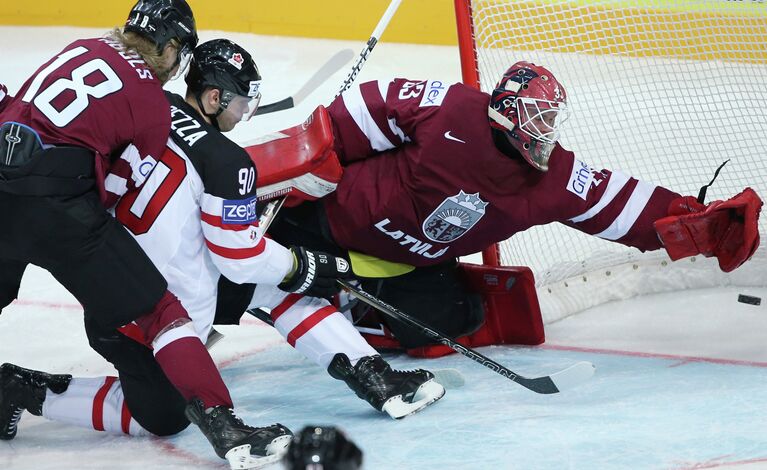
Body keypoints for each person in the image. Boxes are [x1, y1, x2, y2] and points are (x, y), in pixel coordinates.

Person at [0, 38, 443, 468]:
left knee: (265, 286)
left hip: (108, 282)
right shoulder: (228, 163)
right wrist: (302, 264)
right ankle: (22, 388)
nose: (243, 113)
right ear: (213, 97)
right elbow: (238, 254)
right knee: (163, 416)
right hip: (161, 315)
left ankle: (371, 374)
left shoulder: (153, 107)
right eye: (240, 104)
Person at [267, 61, 762, 350]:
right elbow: (350, 120)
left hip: (399, 264)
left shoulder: (552, 178)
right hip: (326, 224)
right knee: (238, 269)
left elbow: (615, 201)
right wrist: (297, 170)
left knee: (454, 320)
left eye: (551, 120)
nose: (546, 130)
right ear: (507, 109)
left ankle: (347, 304)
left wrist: (685, 217)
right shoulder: (447, 108)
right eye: (539, 116)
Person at [0, 2, 299, 468]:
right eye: (181, 56)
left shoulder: (83, 46)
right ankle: (224, 424)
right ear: (171, 47)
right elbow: (115, 194)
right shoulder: (150, 103)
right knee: (163, 315)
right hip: (59, 210)